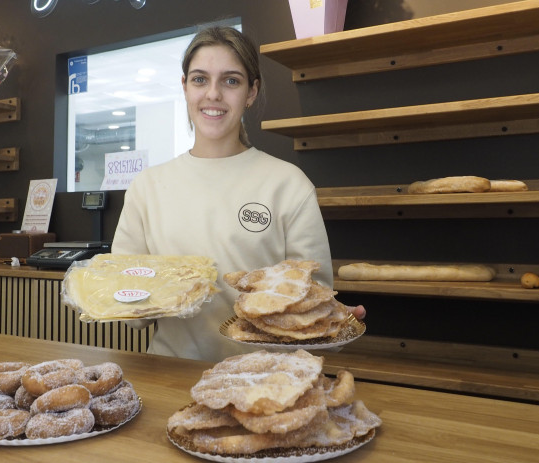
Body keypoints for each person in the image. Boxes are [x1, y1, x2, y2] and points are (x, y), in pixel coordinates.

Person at [112, 25, 365, 362]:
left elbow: (313, 301)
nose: (213, 94)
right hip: (170, 377)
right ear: (184, 87)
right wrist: (127, 296)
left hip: (269, 385)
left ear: (251, 92)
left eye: (231, 80)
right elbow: (131, 310)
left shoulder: (288, 184)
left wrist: (327, 318)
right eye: (200, 79)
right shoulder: (147, 188)